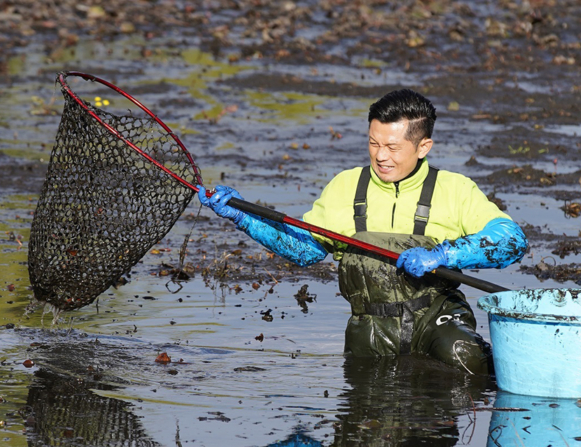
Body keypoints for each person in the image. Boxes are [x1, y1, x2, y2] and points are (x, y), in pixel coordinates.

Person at [198, 89, 527, 372]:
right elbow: (304, 250)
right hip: (369, 325)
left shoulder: (454, 189)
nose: (381, 156)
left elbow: (512, 240)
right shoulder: (345, 187)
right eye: (373, 143)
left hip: (436, 317)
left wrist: (443, 254)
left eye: (393, 148)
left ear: (423, 147)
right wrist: (243, 217)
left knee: (463, 355)